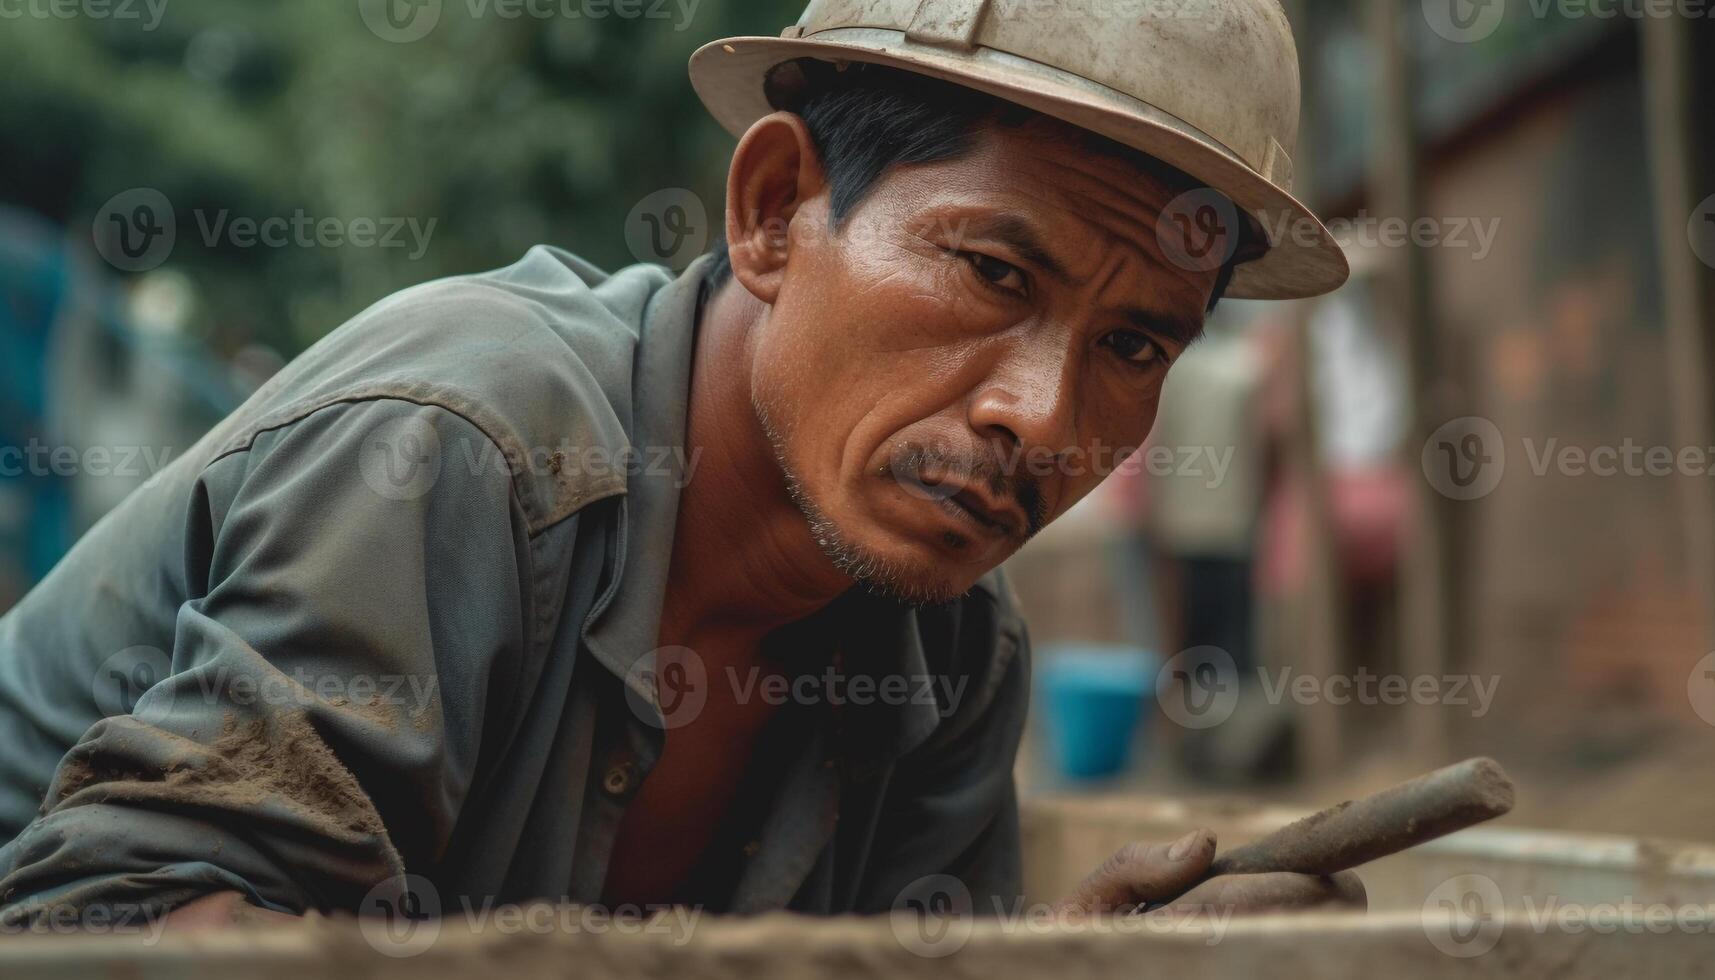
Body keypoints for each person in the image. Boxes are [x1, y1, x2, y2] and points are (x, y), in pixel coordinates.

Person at [0, 0, 1363, 929]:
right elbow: (125, 924)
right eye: (993, 270)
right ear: (774, 212)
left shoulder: (949, 656)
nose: (1040, 414)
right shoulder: (460, 449)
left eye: (1135, 345)